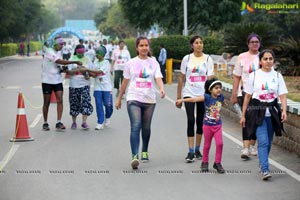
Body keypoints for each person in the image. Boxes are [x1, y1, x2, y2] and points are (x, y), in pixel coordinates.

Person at [115, 36, 165, 170]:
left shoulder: (153, 63)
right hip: (133, 98)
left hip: (149, 99)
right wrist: (119, 98)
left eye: (146, 45)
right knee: (136, 125)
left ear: (148, 47)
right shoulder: (130, 63)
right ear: (137, 48)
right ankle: (134, 156)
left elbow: (158, 77)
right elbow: (125, 82)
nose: (144, 48)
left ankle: (145, 150)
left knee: (146, 127)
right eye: (141, 46)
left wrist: (161, 88)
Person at [240, 49, 288, 180]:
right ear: (260, 61)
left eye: (270, 59)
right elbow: (247, 97)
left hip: (272, 113)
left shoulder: (278, 76)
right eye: (265, 59)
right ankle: (265, 169)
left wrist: (283, 111)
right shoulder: (254, 75)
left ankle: (262, 163)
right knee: (263, 142)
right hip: (257, 113)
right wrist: (243, 115)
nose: (268, 61)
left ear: (273, 61)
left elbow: (283, 96)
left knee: (269, 142)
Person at [176, 35, 214, 163]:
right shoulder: (187, 59)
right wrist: (178, 97)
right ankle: (190, 151)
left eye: (201, 42)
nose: (199, 45)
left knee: (200, 121)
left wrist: (212, 97)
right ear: (192, 45)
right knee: (191, 119)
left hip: (203, 94)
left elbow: (210, 78)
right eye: (196, 43)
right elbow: (181, 78)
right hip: (189, 93)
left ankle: (198, 149)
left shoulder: (208, 59)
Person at [176, 78, 225, 173]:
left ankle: (217, 163)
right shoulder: (206, 97)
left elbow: (222, 103)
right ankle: (204, 162)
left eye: (220, 88)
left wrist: (225, 103)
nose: (219, 90)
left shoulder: (221, 97)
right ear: (210, 89)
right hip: (207, 126)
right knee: (207, 145)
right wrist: (181, 99)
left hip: (218, 126)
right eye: (216, 88)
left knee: (220, 143)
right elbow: (194, 99)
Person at [231, 33, 261, 160]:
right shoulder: (242, 57)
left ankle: (253, 145)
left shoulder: (263, 56)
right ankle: (245, 147)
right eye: (252, 42)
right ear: (248, 43)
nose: (255, 44)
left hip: (259, 94)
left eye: (257, 42)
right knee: (245, 119)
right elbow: (237, 76)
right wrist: (234, 94)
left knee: (256, 119)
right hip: (245, 93)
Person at [41, 37, 82, 131]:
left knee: (60, 100)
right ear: (55, 44)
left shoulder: (58, 52)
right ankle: (45, 123)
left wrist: (63, 69)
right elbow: (60, 61)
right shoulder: (49, 51)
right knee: (46, 102)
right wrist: (74, 61)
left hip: (57, 80)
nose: (62, 46)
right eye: (61, 44)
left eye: (63, 44)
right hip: (47, 80)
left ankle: (58, 122)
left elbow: (58, 65)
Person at [67, 44, 94, 130]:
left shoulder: (87, 59)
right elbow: (68, 72)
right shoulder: (72, 59)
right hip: (74, 85)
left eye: (82, 52)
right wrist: (78, 70)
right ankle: (74, 122)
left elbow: (91, 71)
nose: (81, 54)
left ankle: (84, 122)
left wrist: (86, 73)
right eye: (79, 52)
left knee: (86, 101)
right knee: (74, 103)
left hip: (85, 84)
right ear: (76, 51)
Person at [89, 46, 113, 130]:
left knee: (108, 105)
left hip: (106, 87)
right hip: (97, 87)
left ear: (102, 54)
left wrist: (88, 69)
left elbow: (100, 71)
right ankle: (100, 122)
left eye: (98, 53)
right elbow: (93, 74)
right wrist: (87, 73)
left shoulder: (106, 62)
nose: (96, 55)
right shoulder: (95, 62)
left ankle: (108, 116)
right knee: (98, 105)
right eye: (96, 53)